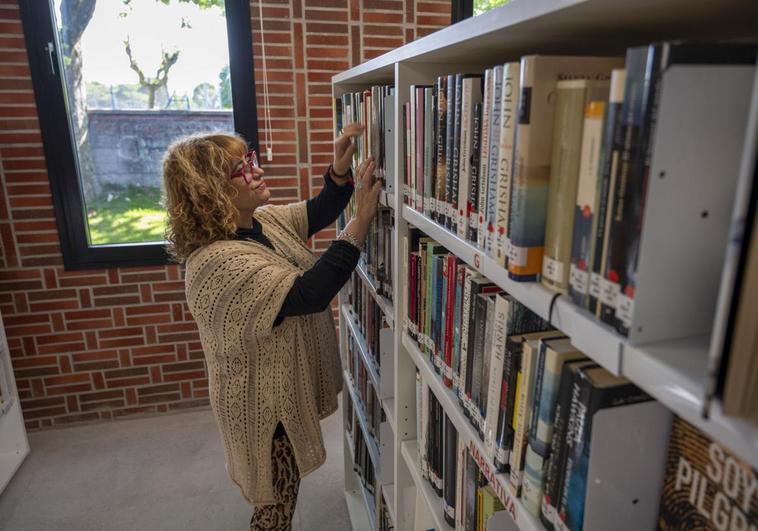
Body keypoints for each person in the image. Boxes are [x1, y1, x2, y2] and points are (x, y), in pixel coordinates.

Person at [162, 123, 380, 530]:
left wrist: (338, 169)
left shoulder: (261, 222)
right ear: (212, 189)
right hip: (262, 403)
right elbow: (308, 294)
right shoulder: (214, 261)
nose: (257, 170)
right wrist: (361, 222)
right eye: (241, 167)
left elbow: (319, 210)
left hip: (280, 388)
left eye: (251, 159)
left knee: (286, 487)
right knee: (276, 506)